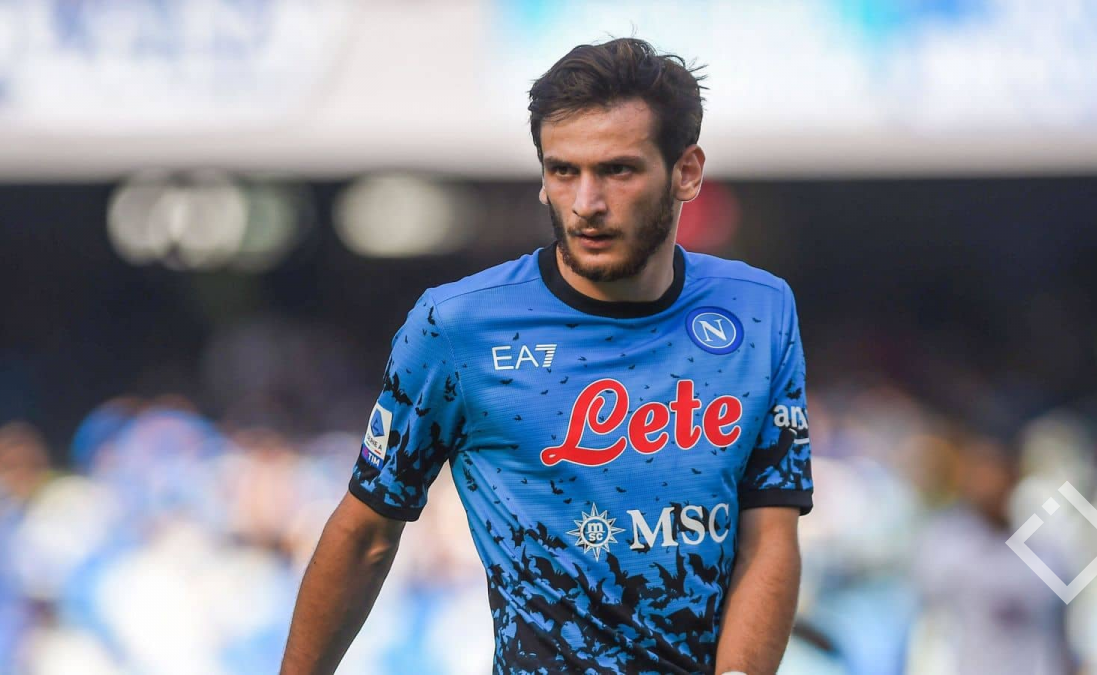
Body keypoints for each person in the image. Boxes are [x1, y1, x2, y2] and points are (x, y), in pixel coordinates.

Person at [281, 37, 814, 675]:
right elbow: (366, 532)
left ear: (687, 172)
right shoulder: (457, 327)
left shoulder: (760, 311)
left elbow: (769, 537)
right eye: (563, 171)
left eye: (618, 170)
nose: (586, 203)